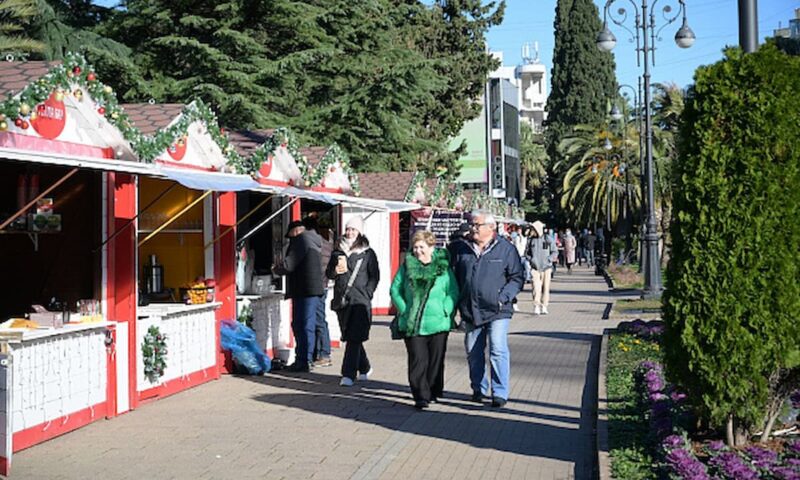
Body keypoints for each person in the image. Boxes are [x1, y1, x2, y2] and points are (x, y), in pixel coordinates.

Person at [450, 210, 524, 408]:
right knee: (473, 351)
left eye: (477, 225)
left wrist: (503, 297)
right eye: (472, 224)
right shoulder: (460, 248)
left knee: (497, 348)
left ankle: (500, 392)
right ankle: (478, 388)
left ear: (491, 228)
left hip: (498, 309)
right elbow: (450, 276)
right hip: (470, 309)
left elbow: (517, 277)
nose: (472, 228)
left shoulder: (506, 249)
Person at [390, 230, 459, 410]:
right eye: (415, 247)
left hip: (438, 322)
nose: (418, 251)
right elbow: (395, 289)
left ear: (431, 247)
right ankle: (420, 395)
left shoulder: (443, 267)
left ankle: (433, 389)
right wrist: (405, 310)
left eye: (421, 247)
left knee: (436, 359)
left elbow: (453, 290)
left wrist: (447, 308)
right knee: (418, 360)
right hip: (414, 323)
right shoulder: (407, 266)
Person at [326, 216, 380, 386]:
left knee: (354, 336)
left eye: (353, 230)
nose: (350, 233)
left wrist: (368, 292)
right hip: (343, 299)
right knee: (350, 336)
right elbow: (329, 274)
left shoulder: (367, 253)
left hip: (360, 300)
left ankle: (348, 375)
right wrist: (334, 271)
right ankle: (364, 367)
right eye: (348, 229)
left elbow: (374, 276)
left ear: (360, 232)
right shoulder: (338, 252)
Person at [272, 220, 324, 372]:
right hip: (311, 289)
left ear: (295, 231)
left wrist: (276, 269)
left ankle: (303, 360)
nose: (290, 239)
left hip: (304, 289)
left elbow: (289, 265)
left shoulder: (301, 240)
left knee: (301, 325)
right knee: (306, 324)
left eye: (290, 236)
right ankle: (306, 358)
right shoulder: (314, 240)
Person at [303, 216, 333, 367]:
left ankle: (324, 353)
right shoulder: (327, 245)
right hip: (324, 285)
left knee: (317, 320)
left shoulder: (312, 245)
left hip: (315, 286)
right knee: (320, 319)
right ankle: (322, 352)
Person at [526, 220, 557, 315]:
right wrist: (531, 260)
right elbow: (527, 253)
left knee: (546, 288)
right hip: (535, 267)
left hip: (546, 267)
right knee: (536, 287)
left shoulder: (547, 239)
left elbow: (554, 251)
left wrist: (549, 259)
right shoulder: (531, 240)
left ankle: (544, 305)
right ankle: (536, 305)